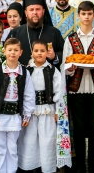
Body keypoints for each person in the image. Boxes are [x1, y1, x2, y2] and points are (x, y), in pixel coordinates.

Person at [63, 1, 94, 173]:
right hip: (76, 90)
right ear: (78, 16)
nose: (86, 17)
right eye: (83, 14)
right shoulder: (70, 39)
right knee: (79, 128)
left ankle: (92, 165)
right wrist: (70, 69)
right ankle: (81, 165)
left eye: (89, 14)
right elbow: (66, 65)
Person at [0, 38, 35, 173]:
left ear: (21, 52)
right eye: (10, 50)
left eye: (16, 50)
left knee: (12, 148)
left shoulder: (25, 73)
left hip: (15, 115)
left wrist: (27, 115)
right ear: (4, 51)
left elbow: (29, 95)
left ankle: (11, 171)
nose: (13, 53)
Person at [18, 39, 61, 173]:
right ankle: (30, 167)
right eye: (36, 51)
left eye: (42, 51)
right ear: (32, 52)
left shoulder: (52, 70)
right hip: (30, 110)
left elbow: (59, 91)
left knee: (47, 139)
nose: (39, 53)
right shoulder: (26, 70)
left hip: (47, 109)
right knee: (29, 139)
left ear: (47, 53)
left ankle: (47, 168)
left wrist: (58, 111)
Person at [7, 0, 64, 67]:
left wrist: (54, 56)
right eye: (31, 10)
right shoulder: (15, 33)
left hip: (47, 76)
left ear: (43, 11)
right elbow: (6, 55)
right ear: (26, 13)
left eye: (38, 9)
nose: (35, 12)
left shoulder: (54, 32)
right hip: (21, 76)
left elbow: (64, 53)